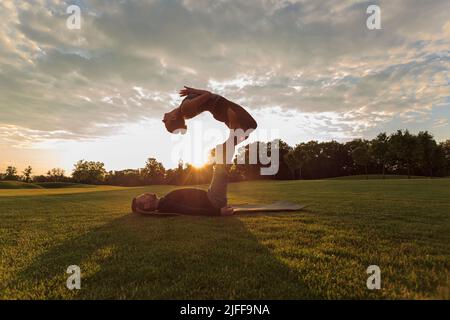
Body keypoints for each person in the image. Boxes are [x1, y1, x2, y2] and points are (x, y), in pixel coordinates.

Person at [131, 87, 258, 216]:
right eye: (143, 197)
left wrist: (193, 93)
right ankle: (234, 132)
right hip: (214, 201)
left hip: (212, 196)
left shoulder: (165, 201)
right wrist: (218, 212)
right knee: (225, 154)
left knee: (231, 143)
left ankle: (234, 133)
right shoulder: (165, 205)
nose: (163, 119)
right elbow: (188, 211)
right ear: (147, 205)